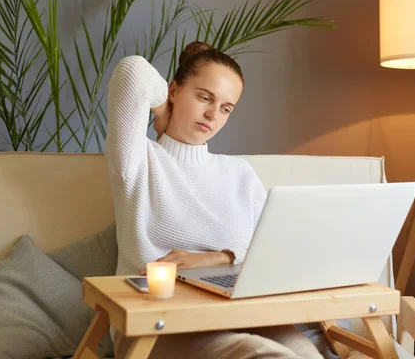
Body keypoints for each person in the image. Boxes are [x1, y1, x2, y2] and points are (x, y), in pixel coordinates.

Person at [105, 41, 323, 358]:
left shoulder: (239, 173)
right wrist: (162, 112)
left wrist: (217, 258)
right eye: (204, 97)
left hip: (238, 312)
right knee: (267, 355)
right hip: (155, 324)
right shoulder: (137, 160)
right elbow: (132, 73)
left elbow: (275, 249)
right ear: (174, 90)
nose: (212, 114)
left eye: (225, 108)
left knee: (307, 354)